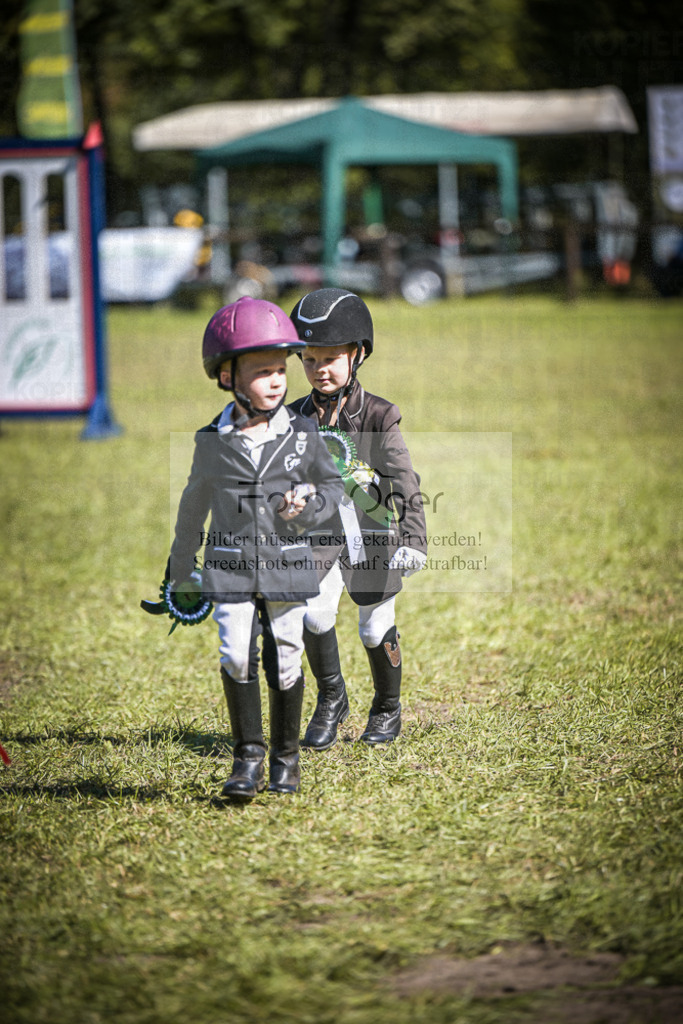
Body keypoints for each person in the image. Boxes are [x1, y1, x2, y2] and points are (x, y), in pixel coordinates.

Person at [169, 297, 344, 799]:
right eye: (262, 372)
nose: (276, 381)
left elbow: (331, 492)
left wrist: (306, 508)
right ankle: (247, 757)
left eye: (280, 370)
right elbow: (191, 507)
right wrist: (180, 569)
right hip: (230, 569)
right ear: (227, 377)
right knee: (235, 656)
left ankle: (285, 760)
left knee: (287, 657)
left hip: (288, 567)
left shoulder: (303, 433)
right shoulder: (211, 440)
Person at [288, 288, 427, 750]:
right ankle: (332, 697)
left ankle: (388, 707)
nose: (319, 370)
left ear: (358, 354)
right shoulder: (292, 419)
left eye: (330, 359)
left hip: (372, 537)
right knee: (312, 613)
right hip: (318, 536)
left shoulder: (380, 416)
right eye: (309, 360)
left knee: (372, 626)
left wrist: (414, 537)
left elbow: (403, 478)